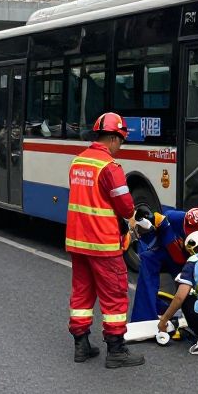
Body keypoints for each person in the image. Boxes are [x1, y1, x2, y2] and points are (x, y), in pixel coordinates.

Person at [65, 112, 143, 368]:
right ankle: (116, 349)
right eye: (120, 140)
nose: (120, 146)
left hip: (77, 240)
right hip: (102, 243)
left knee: (82, 293)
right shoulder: (110, 167)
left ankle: (81, 345)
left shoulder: (78, 162)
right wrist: (132, 218)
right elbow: (124, 204)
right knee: (115, 295)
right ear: (111, 138)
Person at [129, 205, 198, 323]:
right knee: (147, 258)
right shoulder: (173, 217)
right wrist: (147, 224)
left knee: (191, 283)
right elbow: (153, 241)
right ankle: (144, 318)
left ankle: (190, 313)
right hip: (168, 253)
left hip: (186, 262)